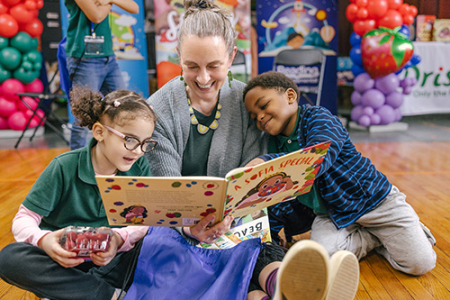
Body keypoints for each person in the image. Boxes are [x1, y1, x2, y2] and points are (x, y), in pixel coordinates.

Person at [141, 1, 359, 299]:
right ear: (178, 56)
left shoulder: (248, 105)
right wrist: (192, 228)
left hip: (237, 219)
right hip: (181, 227)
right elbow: (168, 193)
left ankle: (282, 286)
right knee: (172, 253)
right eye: (192, 66)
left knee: (253, 243)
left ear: (231, 57)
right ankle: (267, 292)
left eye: (214, 66)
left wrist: (231, 217)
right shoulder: (157, 110)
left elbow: (255, 180)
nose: (203, 78)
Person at [243, 71, 437, 276]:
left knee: (420, 263)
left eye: (263, 106)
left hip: (375, 201)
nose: (260, 117)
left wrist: (266, 164)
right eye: (254, 117)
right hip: (332, 213)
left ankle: (401, 231)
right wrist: (271, 233)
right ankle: (374, 238)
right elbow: (279, 196)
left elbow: (316, 158)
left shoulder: (319, 118)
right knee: (322, 260)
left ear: (290, 96)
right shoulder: (272, 142)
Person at [0, 87, 157, 300]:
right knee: (9, 258)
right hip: (61, 261)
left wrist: (118, 240)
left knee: (156, 241)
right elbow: (24, 219)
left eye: (145, 143)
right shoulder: (64, 166)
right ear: (100, 132)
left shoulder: (139, 169)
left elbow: (144, 222)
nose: (138, 151)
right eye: (129, 140)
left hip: (108, 263)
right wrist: (44, 240)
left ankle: (74, 292)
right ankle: (106, 295)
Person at [65, 0, 138, 150]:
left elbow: (134, 7)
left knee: (125, 105)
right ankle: (76, 166)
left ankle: (122, 152)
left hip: (108, 57)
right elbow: (96, 16)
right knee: (84, 115)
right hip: (85, 58)